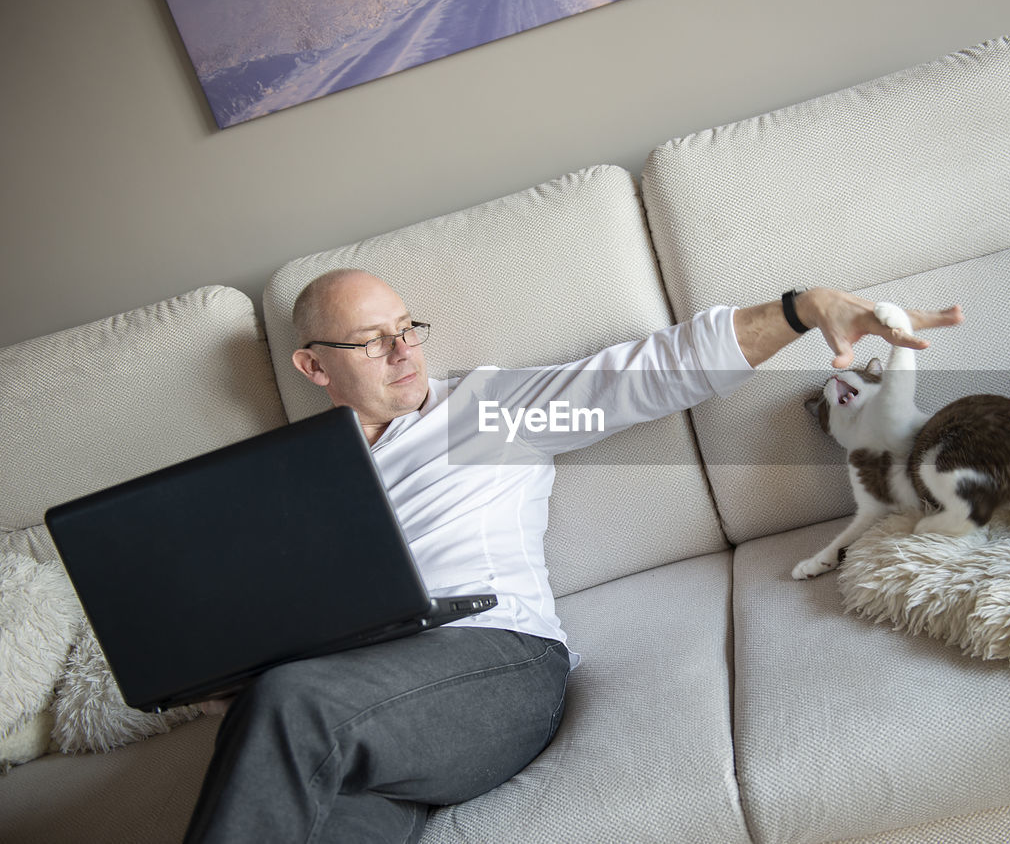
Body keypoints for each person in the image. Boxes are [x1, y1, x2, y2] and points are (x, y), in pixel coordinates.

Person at [185, 268, 962, 843]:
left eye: (406, 328)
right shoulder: (291, 479)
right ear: (315, 368)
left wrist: (805, 308)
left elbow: (648, 374)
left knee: (289, 702)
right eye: (370, 340)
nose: (401, 351)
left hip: (495, 664)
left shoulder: (486, 410)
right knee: (326, 812)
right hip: (366, 703)